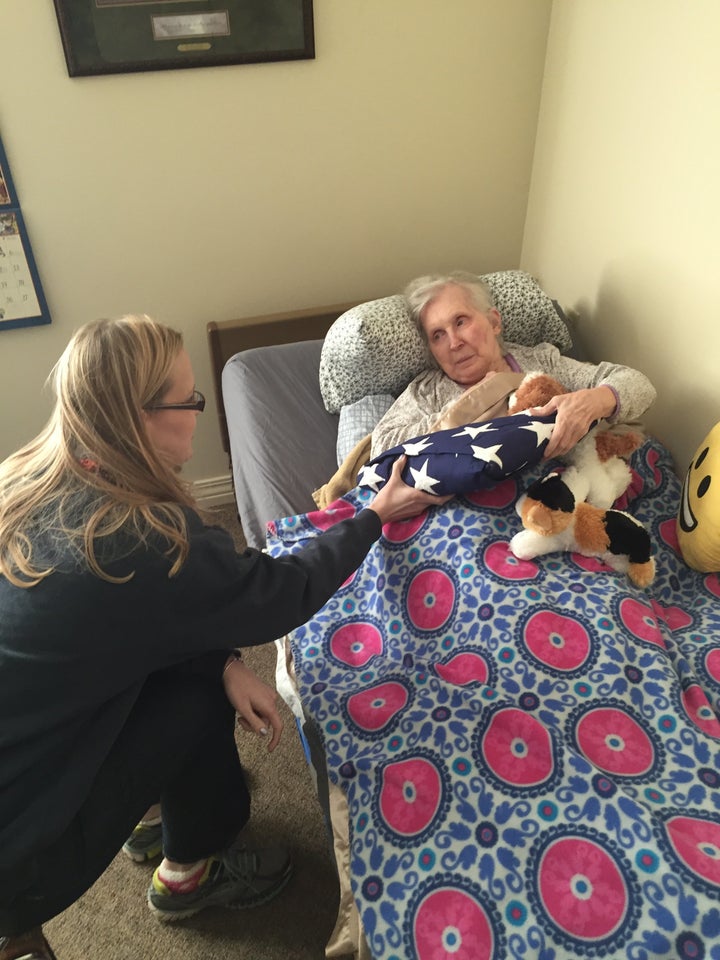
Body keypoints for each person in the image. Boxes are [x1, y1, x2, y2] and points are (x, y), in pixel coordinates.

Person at [0, 315, 448, 960]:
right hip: (20, 852)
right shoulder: (146, 537)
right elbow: (278, 592)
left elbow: (141, 619)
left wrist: (223, 661)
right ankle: (192, 874)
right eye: (190, 399)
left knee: (201, 674)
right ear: (138, 416)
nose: (197, 412)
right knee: (199, 700)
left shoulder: (32, 474)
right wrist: (372, 515)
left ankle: (148, 818)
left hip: (32, 751)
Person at [370, 272, 656, 460]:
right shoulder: (427, 391)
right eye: (438, 335)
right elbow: (381, 448)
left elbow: (638, 384)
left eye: (460, 321)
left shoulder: (540, 361)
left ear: (494, 322)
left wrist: (593, 401)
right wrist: (475, 401)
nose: (454, 342)